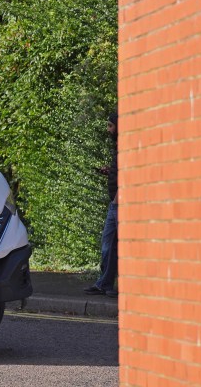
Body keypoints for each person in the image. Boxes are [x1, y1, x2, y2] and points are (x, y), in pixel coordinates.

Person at [85, 111, 118, 297]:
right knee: (108, 246)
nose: (108, 129)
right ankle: (104, 284)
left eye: (110, 126)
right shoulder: (118, 147)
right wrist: (110, 170)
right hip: (115, 204)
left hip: (118, 205)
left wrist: (117, 199)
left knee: (111, 245)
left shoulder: (124, 147)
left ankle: (107, 284)